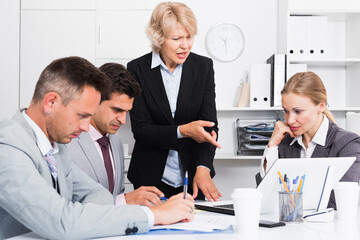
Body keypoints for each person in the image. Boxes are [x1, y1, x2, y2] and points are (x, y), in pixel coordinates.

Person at [0, 56, 194, 239]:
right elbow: (62, 223)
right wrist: (153, 215)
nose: (86, 127)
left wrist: (80, 216)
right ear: (51, 102)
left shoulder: (55, 147)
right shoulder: (7, 147)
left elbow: (98, 194)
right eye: (82, 115)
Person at [127, 2, 222, 201]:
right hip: (150, 176)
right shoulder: (137, 69)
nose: (185, 45)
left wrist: (203, 168)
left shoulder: (203, 67)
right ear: (159, 38)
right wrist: (183, 131)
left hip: (193, 175)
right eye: (177, 38)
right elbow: (141, 129)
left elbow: (210, 126)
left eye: (189, 37)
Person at [67, 62, 165, 207]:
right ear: (96, 99)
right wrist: (124, 200)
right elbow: (65, 207)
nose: (123, 120)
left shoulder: (115, 141)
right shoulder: (67, 142)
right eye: (117, 110)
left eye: (127, 112)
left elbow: (116, 195)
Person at [257, 71, 360, 208]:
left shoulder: (348, 144)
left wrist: (288, 200)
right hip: (287, 227)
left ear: (321, 106)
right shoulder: (284, 142)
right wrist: (272, 146)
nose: (290, 120)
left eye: (298, 111)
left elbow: (338, 204)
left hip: (327, 228)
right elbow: (263, 196)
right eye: (286, 111)